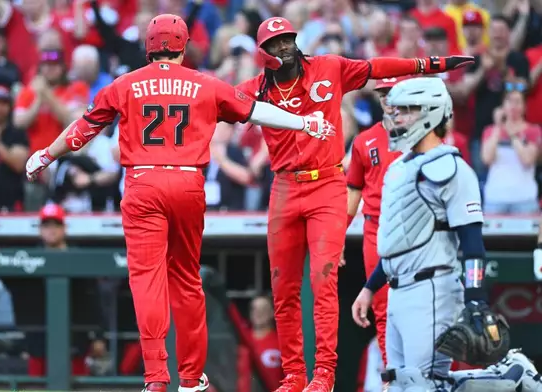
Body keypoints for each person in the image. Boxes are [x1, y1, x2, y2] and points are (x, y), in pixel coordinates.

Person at [24, 14, 335, 392]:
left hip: (142, 182)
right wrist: (304, 123)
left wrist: (45, 155)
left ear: (148, 47)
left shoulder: (125, 84)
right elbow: (255, 111)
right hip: (188, 181)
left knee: (147, 280)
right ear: (184, 47)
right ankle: (191, 378)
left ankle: (156, 377)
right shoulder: (205, 83)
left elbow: (84, 129)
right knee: (187, 279)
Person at [232, 16, 475, 392]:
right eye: (275, 43)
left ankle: (324, 375)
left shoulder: (329, 67)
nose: (285, 47)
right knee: (282, 287)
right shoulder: (255, 89)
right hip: (283, 186)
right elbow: (213, 103)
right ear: (263, 54)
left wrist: (433, 65)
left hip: (327, 182)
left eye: (288, 39)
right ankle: (295, 375)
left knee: (323, 282)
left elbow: (380, 68)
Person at [350, 77, 542, 392]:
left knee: (422, 386)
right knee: (402, 385)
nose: (395, 117)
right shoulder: (399, 168)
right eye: (395, 110)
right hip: (397, 289)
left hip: (432, 289)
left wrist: (476, 298)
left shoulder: (452, 168)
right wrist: (370, 288)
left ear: (430, 112)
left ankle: (511, 377)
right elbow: (400, 241)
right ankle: (510, 376)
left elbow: (472, 243)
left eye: (405, 111)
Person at [344, 77, 407, 368]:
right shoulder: (364, 139)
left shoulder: (424, 136)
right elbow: (353, 189)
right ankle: (390, 377)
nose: (387, 100)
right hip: (375, 228)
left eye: (393, 94)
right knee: (382, 308)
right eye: (382, 94)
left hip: (413, 227)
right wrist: (336, 238)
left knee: (419, 303)